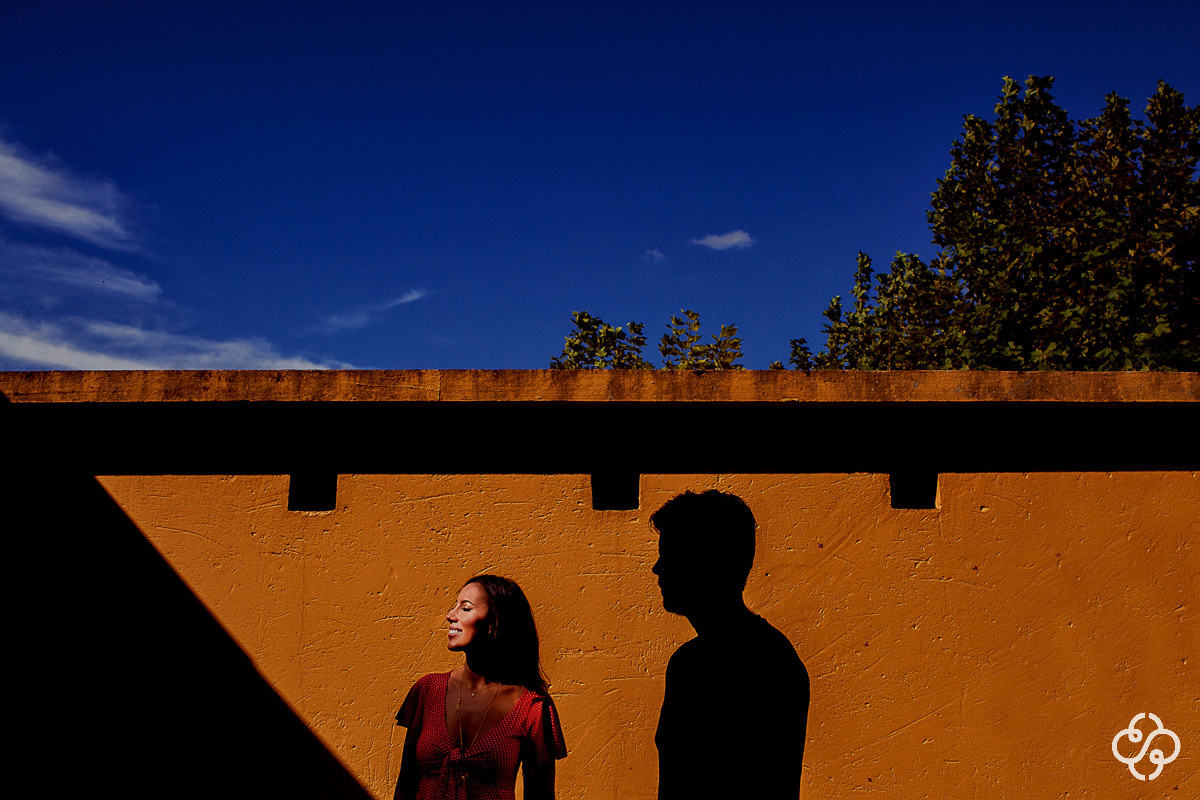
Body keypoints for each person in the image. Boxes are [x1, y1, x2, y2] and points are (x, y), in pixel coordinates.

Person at [651, 490, 810, 800]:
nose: (657, 568)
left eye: (670, 555)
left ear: (707, 562)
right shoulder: (769, 657)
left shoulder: (761, 664)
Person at [395, 575, 566, 800]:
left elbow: (540, 796)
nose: (450, 615)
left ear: (494, 623)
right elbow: (405, 785)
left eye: (465, 608)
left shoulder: (531, 708)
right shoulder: (428, 691)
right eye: (455, 606)